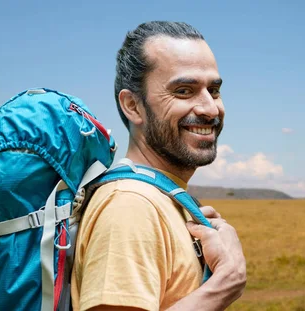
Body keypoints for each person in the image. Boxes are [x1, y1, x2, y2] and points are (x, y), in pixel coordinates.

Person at [70, 21, 247, 311]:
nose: (210, 108)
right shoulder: (130, 205)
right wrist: (226, 283)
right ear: (133, 106)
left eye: (213, 90)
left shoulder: (161, 198)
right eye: (184, 91)